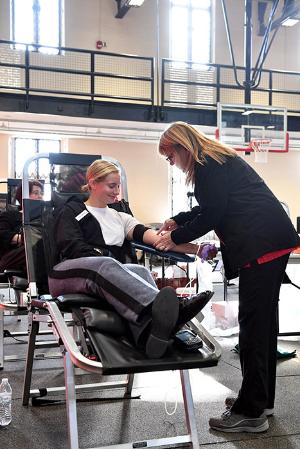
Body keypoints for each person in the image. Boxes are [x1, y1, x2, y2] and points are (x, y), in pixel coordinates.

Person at [155, 121, 300, 432]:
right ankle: (260, 401)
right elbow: (210, 207)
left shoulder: (208, 167)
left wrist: (175, 236)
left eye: (170, 157)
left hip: (262, 245)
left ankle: (251, 411)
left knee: (253, 329)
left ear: (181, 147)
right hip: (270, 240)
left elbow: (212, 215)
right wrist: (177, 220)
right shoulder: (216, 162)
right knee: (262, 326)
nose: (172, 164)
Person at [48, 159, 213, 359]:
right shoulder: (72, 211)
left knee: (140, 271)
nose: (117, 191)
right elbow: (72, 246)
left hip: (102, 273)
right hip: (66, 275)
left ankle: (150, 334)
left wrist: (198, 249)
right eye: (111, 186)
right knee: (107, 264)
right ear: (92, 183)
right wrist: (113, 266)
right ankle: (171, 314)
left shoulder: (120, 216)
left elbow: (157, 239)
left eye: (118, 186)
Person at [0, 180, 43, 274]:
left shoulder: (45, 217)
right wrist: (24, 238)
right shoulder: (9, 215)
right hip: (12, 257)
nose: (40, 196)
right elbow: (2, 234)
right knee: (35, 247)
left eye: (41, 193)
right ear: (23, 196)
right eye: (36, 193)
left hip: (38, 254)